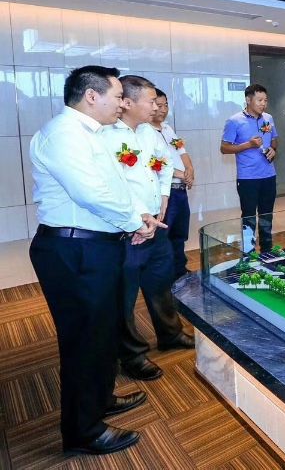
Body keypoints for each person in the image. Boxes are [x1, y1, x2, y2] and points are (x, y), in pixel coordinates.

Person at [29, 66, 163, 455]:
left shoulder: (94, 134)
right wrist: (134, 221)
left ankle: (100, 399)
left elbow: (115, 185)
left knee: (103, 332)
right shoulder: (63, 134)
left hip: (98, 246)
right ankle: (83, 431)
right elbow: (92, 193)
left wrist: (139, 215)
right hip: (74, 249)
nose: (122, 103)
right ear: (91, 96)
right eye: (117, 96)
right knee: (84, 340)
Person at [101, 75, 194, 383]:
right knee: (125, 295)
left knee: (160, 282)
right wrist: (136, 220)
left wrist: (164, 195)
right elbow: (109, 185)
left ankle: (170, 334)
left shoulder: (148, 132)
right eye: (151, 101)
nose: (157, 107)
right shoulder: (105, 135)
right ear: (127, 102)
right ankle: (132, 355)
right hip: (127, 229)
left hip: (156, 223)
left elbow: (164, 163)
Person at [220, 84, 278, 254]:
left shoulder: (268, 118)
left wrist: (273, 149)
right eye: (259, 100)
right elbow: (224, 148)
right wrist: (248, 145)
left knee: (267, 215)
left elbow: (274, 139)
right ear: (248, 99)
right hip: (247, 178)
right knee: (249, 216)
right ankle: (249, 253)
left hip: (269, 175)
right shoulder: (234, 121)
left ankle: (267, 251)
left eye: (265, 100)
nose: (263, 104)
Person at [151, 89, 195, 278]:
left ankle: (180, 272)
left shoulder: (168, 129)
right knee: (165, 236)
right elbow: (152, 162)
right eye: (159, 105)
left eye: (166, 105)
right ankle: (167, 276)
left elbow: (182, 152)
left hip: (180, 189)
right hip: (165, 191)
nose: (163, 109)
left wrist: (190, 170)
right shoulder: (145, 132)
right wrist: (181, 174)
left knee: (179, 234)